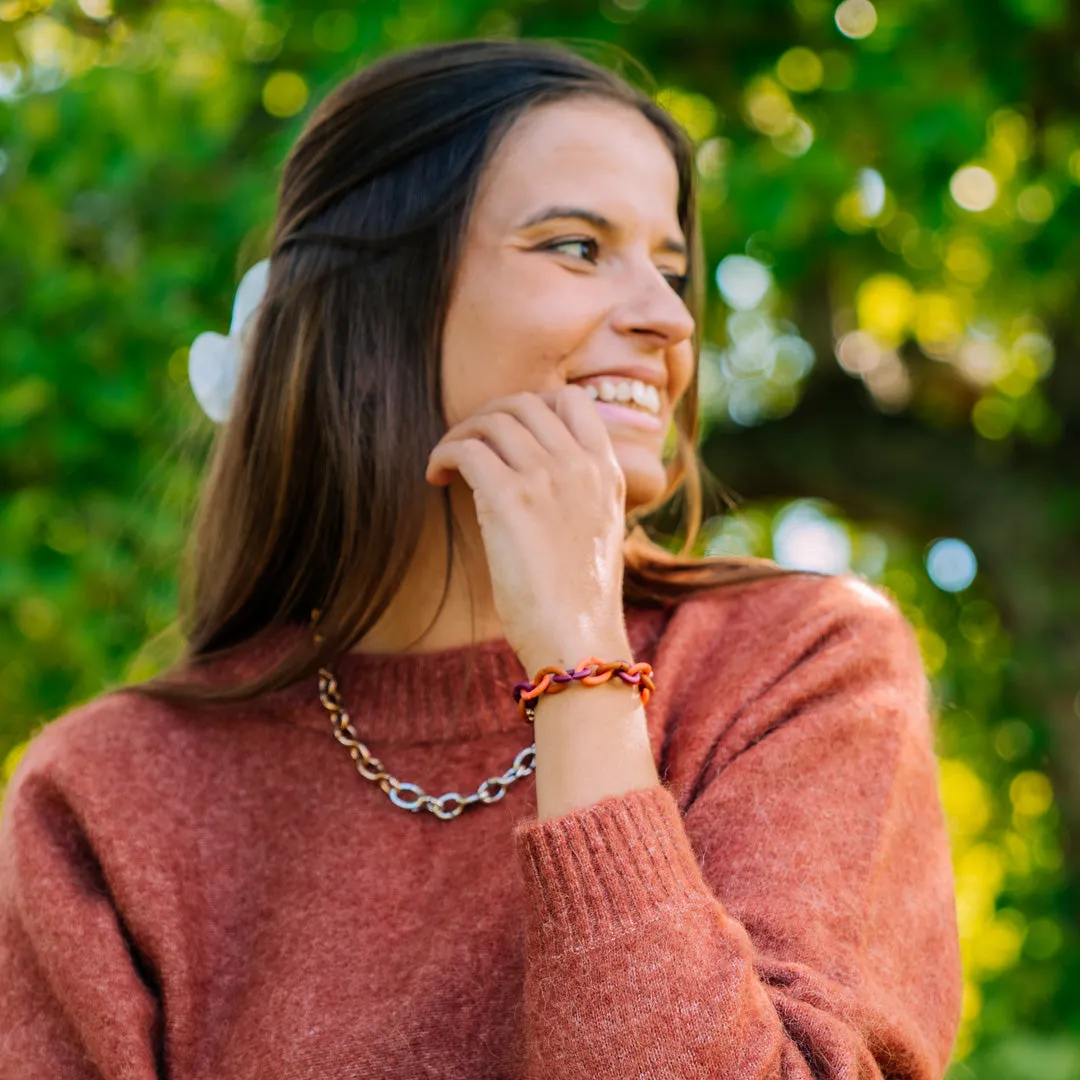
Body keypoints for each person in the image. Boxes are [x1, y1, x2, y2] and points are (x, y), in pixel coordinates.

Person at [0, 38, 963, 1079]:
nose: (668, 318)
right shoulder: (105, 796)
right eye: (578, 248)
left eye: (673, 268)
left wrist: (581, 659)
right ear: (379, 305)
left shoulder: (804, 668)